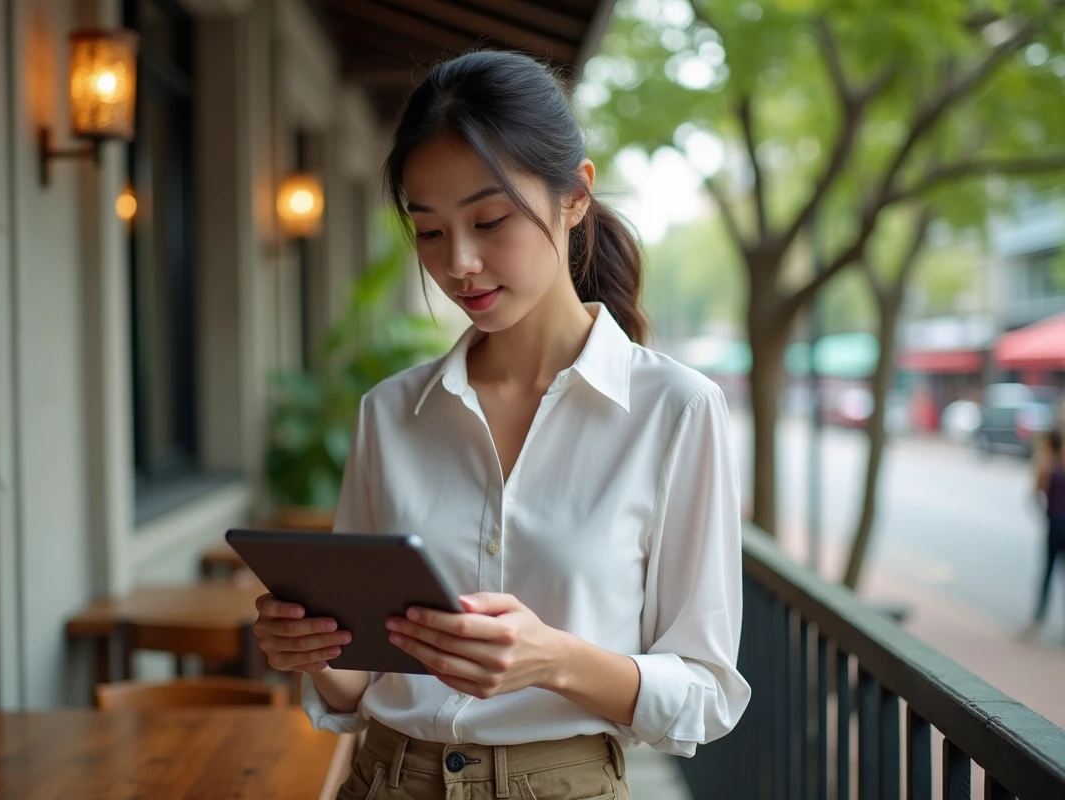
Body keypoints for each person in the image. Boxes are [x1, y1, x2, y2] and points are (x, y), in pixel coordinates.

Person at [252, 50, 750, 800]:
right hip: (387, 780)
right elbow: (362, 682)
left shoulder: (674, 410)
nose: (460, 265)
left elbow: (707, 693)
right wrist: (316, 649)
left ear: (574, 196)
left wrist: (552, 660)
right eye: (428, 233)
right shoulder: (390, 413)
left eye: (490, 221)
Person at [1026, 428, 1065, 636]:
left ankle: (1037, 620)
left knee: (1047, 573)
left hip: (1055, 523)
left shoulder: (1047, 465)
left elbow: (1036, 493)